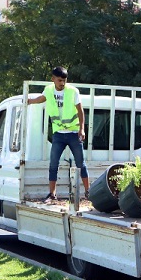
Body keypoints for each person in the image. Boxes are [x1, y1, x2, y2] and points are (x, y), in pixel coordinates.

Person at [26, 66, 89, 202]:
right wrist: (30, 101)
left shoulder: (73, 91)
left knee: (80, 164)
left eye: (64, 81)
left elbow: (80, 111)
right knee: (53, 164)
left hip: (73, 133)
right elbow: (42, 98)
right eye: (59, 80)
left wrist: (82, 129)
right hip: (58, 134)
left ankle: (88, 193)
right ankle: (52, 194)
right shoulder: (49, 90)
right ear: (53, 79)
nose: (62, 83)